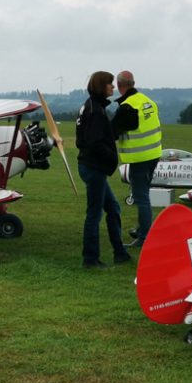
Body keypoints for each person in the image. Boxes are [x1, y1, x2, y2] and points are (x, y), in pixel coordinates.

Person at [76, 71, 131, 269]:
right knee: (94, 214)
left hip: (90, 166)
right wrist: (110, 155)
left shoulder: (90, 106)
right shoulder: (96, 111)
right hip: (94, 168)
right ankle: (90, 259)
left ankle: (120, 253)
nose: (113, 87)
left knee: (113, 208)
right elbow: (93, 142)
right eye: (109, 84)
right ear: (101, 86)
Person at [112, 70, 162, 247]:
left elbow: (113, 131)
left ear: (120, 86)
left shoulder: (127, 106)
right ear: (133, 83)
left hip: (139, 158)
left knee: (141, 197)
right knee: (144, 195)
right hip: (154, 155)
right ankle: (143, 230)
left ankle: (144, 238)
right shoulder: (148, 101)